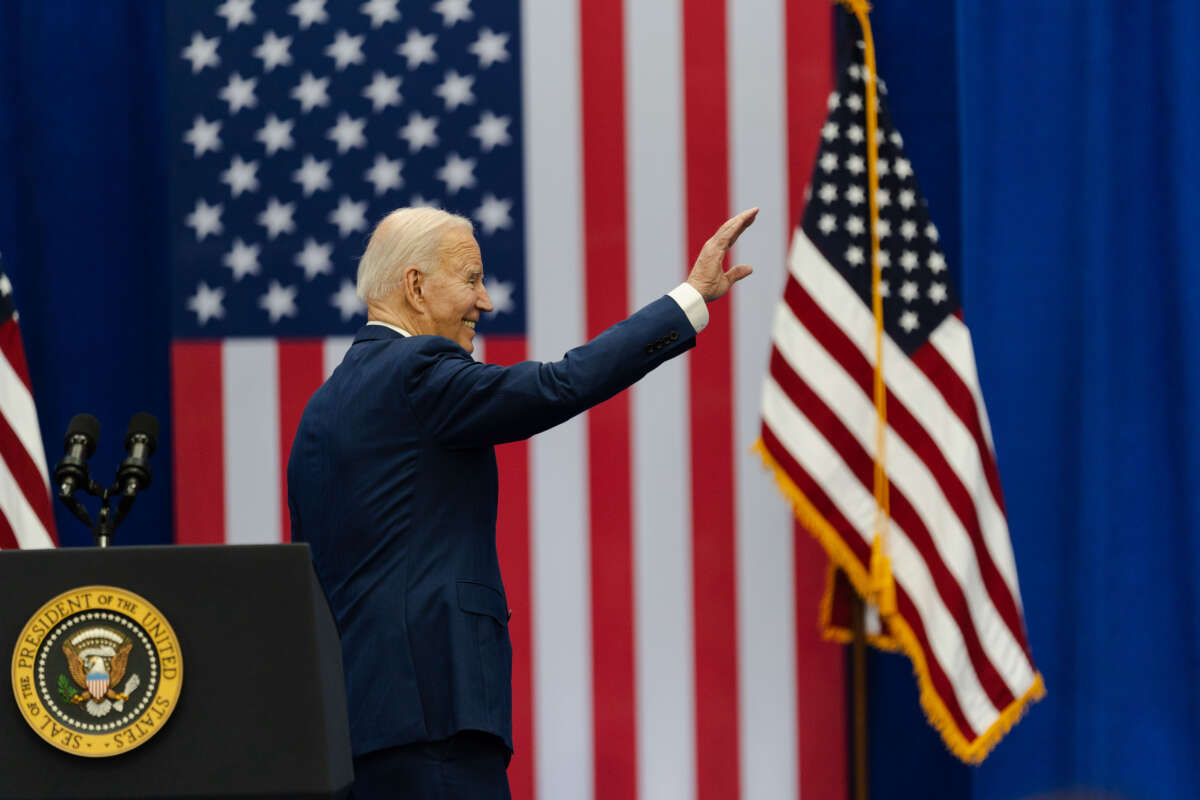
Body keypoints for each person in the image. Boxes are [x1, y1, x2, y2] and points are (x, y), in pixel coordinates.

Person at [287, 205, 758, 799]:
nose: (484, 302)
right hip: (437, 720)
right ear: (414, 286)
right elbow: (556, 386)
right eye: (471, 279)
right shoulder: (417, 371)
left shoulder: (319, 412)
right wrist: (689, 299)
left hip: (352, 732)